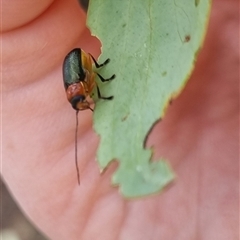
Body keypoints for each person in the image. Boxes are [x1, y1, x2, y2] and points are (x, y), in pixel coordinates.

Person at [2, 0, 238, 239]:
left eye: (84, 101)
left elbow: (84, 65)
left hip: (78, 60)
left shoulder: (79, 84)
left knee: (94, 76)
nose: (87, 103)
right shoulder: (76, 88)